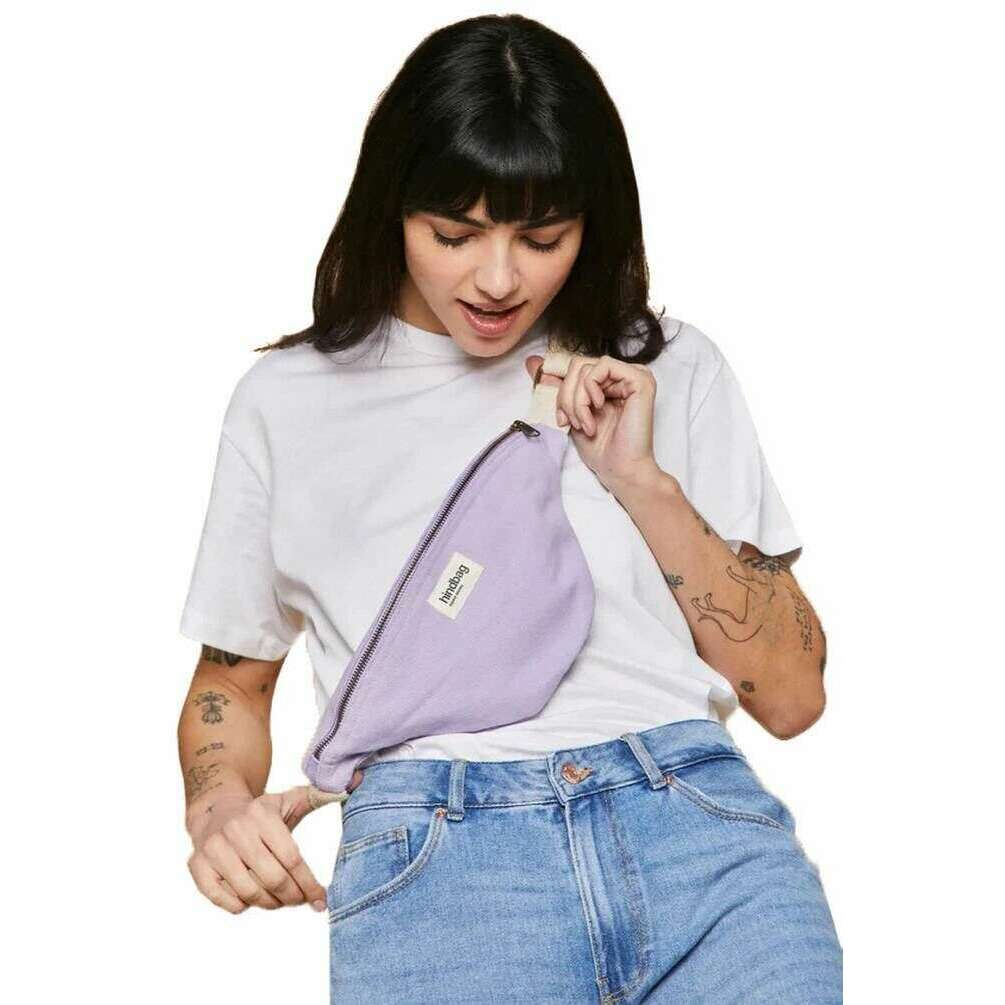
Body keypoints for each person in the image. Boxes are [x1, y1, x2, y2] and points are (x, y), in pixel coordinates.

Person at [176, 13, 842, 1003]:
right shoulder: (286, 402)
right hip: (441, 867)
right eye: (453, 234)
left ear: (591, 224)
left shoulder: (667, 368)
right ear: (391, 208)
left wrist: (639, 480)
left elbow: (791, 698)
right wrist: (217, 810)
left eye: (542, 238)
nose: (497, 280)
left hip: (699, 841)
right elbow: (232, 681)